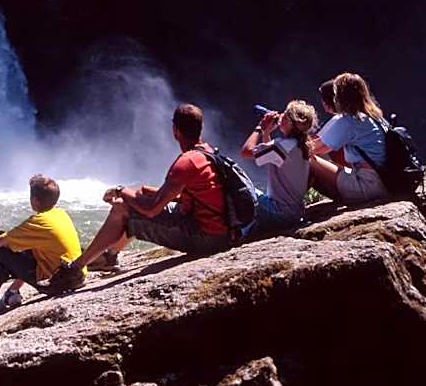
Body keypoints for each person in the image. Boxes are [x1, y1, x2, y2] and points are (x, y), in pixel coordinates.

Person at [48, 103, 231, 292]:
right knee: (137, 199)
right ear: (200, 128)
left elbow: (151, 210)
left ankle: (75, 270)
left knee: (123, 207)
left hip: (206, 239)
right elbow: (186, 195)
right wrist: (145, 192)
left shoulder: (186, 162)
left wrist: (121, 190)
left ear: (175, 131)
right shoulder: (207, 152)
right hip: (221, 232)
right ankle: (109, 256)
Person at [0, 174, 83, 320]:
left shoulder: (38, 221)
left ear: (34, 200)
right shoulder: (61, 214)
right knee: (30, 246)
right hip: (78, 277)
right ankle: (12, 292)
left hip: (58, 284)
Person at [308, 72, 389, 204]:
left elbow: (314, 149)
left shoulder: (349, 121)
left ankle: (289, 207)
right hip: (384, 180)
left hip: (368, 185)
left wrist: (291, 130)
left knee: (308, 159)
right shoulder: (375, 116)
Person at [240, 100, 317, 236]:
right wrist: (266, 133)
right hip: (293, 213)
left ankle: (242, 232)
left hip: (279, 213)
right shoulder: (298, 144)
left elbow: (246, 151)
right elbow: (270, 155)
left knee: (240, 188)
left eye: (285, 114)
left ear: (291, 123)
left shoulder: (281, 146)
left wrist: (259, 128)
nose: (281, 115)